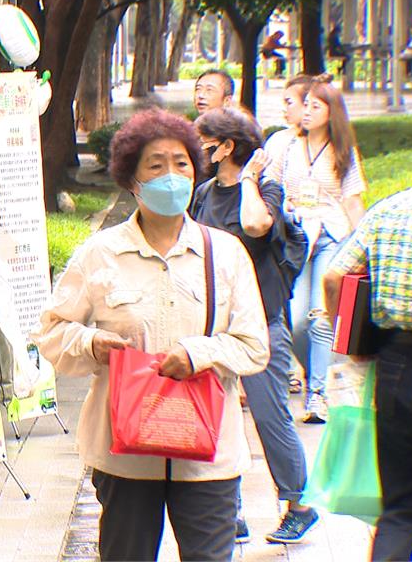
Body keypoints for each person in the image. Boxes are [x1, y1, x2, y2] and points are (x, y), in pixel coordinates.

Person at [34, 108, 269, 561]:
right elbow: (51, 333)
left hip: (209, 455)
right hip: (124, 456)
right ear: (132, 179)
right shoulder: (100, 254)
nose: (171, 176)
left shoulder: (224, 253)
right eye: (156, 165)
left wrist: (198, 352)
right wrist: (91, 344)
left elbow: (255, 345)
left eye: (181, 164)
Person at [191, 108, 317, 545]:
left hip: (260, 323)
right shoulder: (204, 192)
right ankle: (233, 513)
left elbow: (254, 225)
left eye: (204, 139)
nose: (197, 147)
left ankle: (298, 503)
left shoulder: (265, 188)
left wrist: (247, 178)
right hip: (213, 327)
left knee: (269, 415)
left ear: (226, 146)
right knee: (218, 418)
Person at [322, 186, 412, 562]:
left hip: (397, 363)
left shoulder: (392, 208)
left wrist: (353, 348)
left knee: (401, 507)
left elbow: (334, 277)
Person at [266, 76, 366, 423]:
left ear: (331, 112)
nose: (306, 111)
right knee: (294, 320)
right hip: (296, 239)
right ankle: (311, 372)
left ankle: (317, 395)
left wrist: (363, 246)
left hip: (331, 238)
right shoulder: (288, 146)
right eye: (304, 105)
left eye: (314, 106)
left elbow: (353, 202)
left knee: (318, 316)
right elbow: (273, 187)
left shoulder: (343, 152)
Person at [262, 74, 313, 394]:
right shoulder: (281, 142)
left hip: (326, 234)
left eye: (290, 102)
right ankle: (297, 367)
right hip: (290, 235)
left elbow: (349, 197)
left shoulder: (338, 145)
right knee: (292, 313)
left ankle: (315, 381)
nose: (287, 109)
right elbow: (270, 185)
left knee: (311, 316)